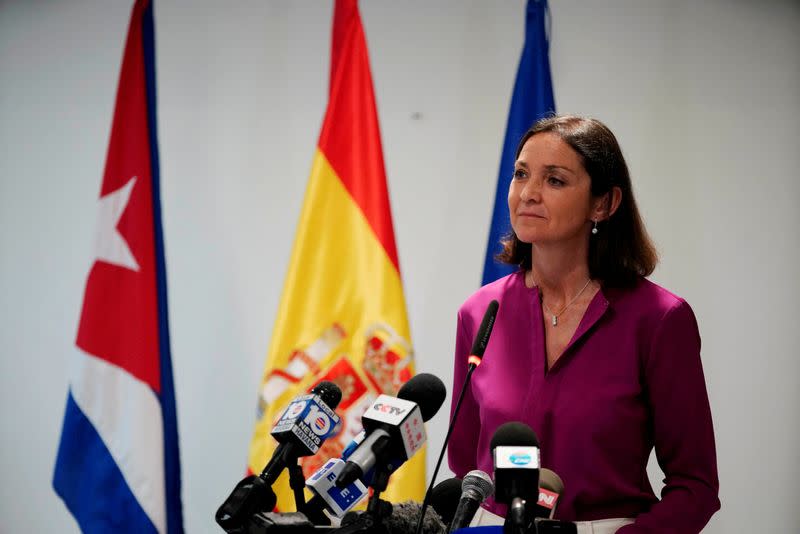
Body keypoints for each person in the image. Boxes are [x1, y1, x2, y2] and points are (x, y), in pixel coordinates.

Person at [448, 115, 720, 533]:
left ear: (604, 203)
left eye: (554, 180)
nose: (529, 194)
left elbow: (695, 486)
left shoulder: (660, 319)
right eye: (521, 175)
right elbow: (466, 460)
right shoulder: (480, 311)